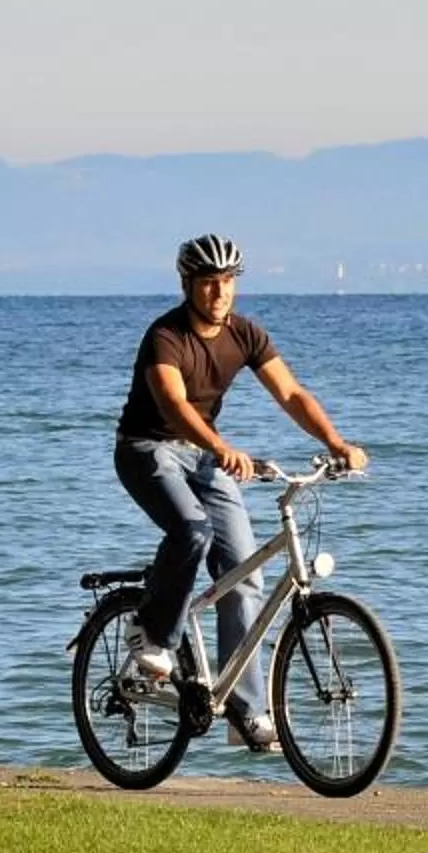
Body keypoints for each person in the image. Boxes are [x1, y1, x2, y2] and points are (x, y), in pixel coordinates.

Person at [112, 234, 367, 751]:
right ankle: (151, 631)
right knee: (192, 528)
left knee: (245, 576)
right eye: (209, 282)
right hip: (146, 449)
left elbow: (290, 393)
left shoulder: (245, 333)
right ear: (187, 284)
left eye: (227, 281)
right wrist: (222, 446)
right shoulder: (165, 336)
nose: (219, 292)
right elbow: (174, 405)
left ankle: (244, 711)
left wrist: (336, 443)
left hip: (204, 455)